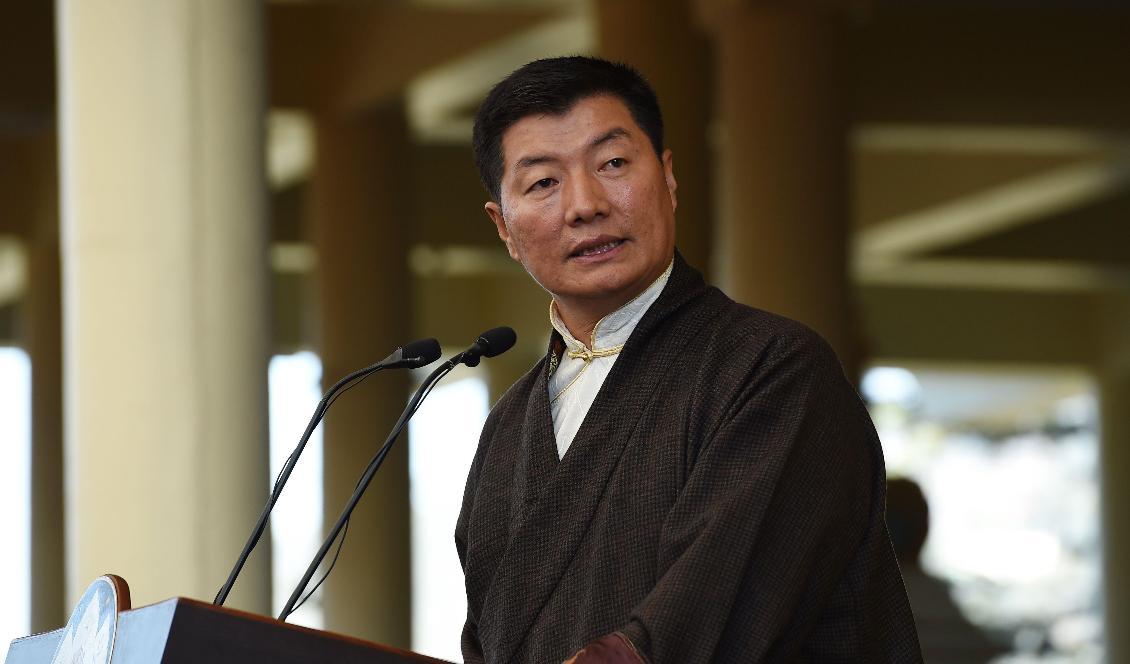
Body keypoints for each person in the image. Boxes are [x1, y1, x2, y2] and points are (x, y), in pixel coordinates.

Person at [456, 55, 922, 664]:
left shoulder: (771, 369)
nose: (585, 204)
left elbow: (710, 615)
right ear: (505, 229)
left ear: (668, 177)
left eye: (613, 163)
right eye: (543, 182)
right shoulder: (509, 427)